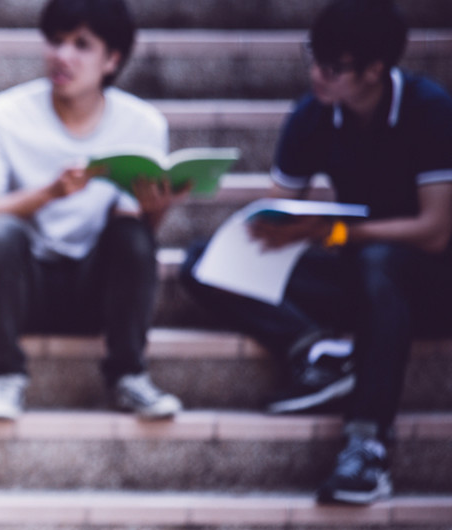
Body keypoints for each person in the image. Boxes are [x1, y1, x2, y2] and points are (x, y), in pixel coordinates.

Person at [179, 0, 452, 504]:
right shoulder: (314, 111)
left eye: (333, 66)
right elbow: (280, 210)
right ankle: (317, 352)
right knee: (203, 263)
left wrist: (336, 234)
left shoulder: (428, 109)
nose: (317, 74)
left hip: (427, 285)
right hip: (355, 275)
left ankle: (366, 444)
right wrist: (274, 230)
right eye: (313, 57)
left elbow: (435, 229)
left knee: (380, 264)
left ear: (376, 69)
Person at [0, 0, 188, 421]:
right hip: (26, 288)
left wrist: (157, 208)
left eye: (82, 44)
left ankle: (129, 374)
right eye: (56, 41)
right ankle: (6, 376)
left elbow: (134, 241)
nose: (62, 55)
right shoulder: (3, 115)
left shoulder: (142, 124)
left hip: (96, 290)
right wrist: (46, 194)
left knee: (133, 237)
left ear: (112, 59)